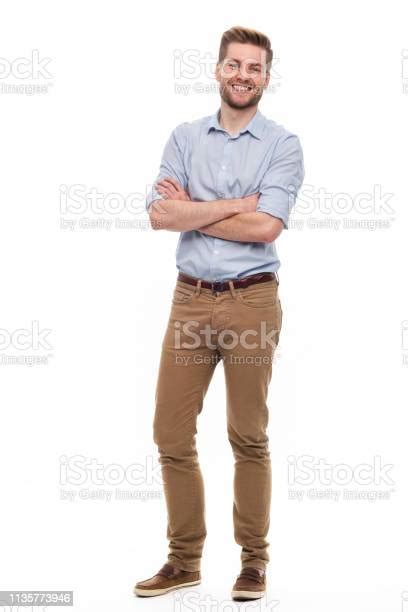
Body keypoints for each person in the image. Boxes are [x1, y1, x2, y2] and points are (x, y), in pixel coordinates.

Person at [134, 25, 304, 601]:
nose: (242, 75)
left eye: (253, 68)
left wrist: (193, 209)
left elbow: (267, 227)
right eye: (234, 65)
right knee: (169, 433)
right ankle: (184, 560)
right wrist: (232, 206)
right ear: (217, 69)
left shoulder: (283, 145)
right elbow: (160, 214)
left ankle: (254, 562)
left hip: (252, 299)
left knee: (246, 434)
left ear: (266, 77)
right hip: (189, 298)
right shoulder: (184, 137)